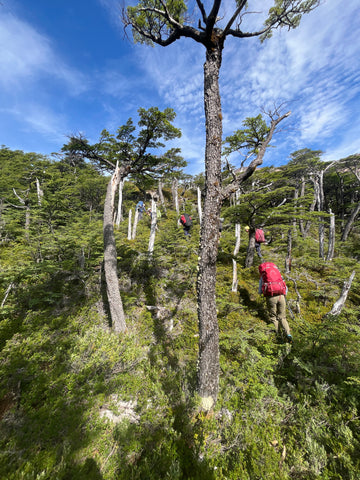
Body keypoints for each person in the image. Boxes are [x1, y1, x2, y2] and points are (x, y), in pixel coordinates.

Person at [258, 262, 292, 344]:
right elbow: (285, 287)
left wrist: (262, 294)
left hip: (271, 297)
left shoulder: (263, 276)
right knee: (282, 317)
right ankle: (288, 334)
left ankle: (278, 336)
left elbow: (260, 290)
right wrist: (284, 294)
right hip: (281, 296)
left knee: (273, 317)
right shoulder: (278, 274)